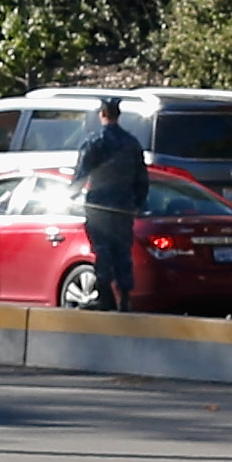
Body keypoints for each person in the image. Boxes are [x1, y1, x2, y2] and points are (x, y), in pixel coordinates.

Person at [73, 105, 148, 311]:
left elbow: (82, 173)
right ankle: (124, 297)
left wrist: (71, 194)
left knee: (102, 250)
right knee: (123, 250)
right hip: (124, 206)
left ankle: (104, 296)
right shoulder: (131, 143)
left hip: (100, 205)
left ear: (102, 114)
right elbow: (142, 177)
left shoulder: (95, 141)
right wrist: (138, 203)